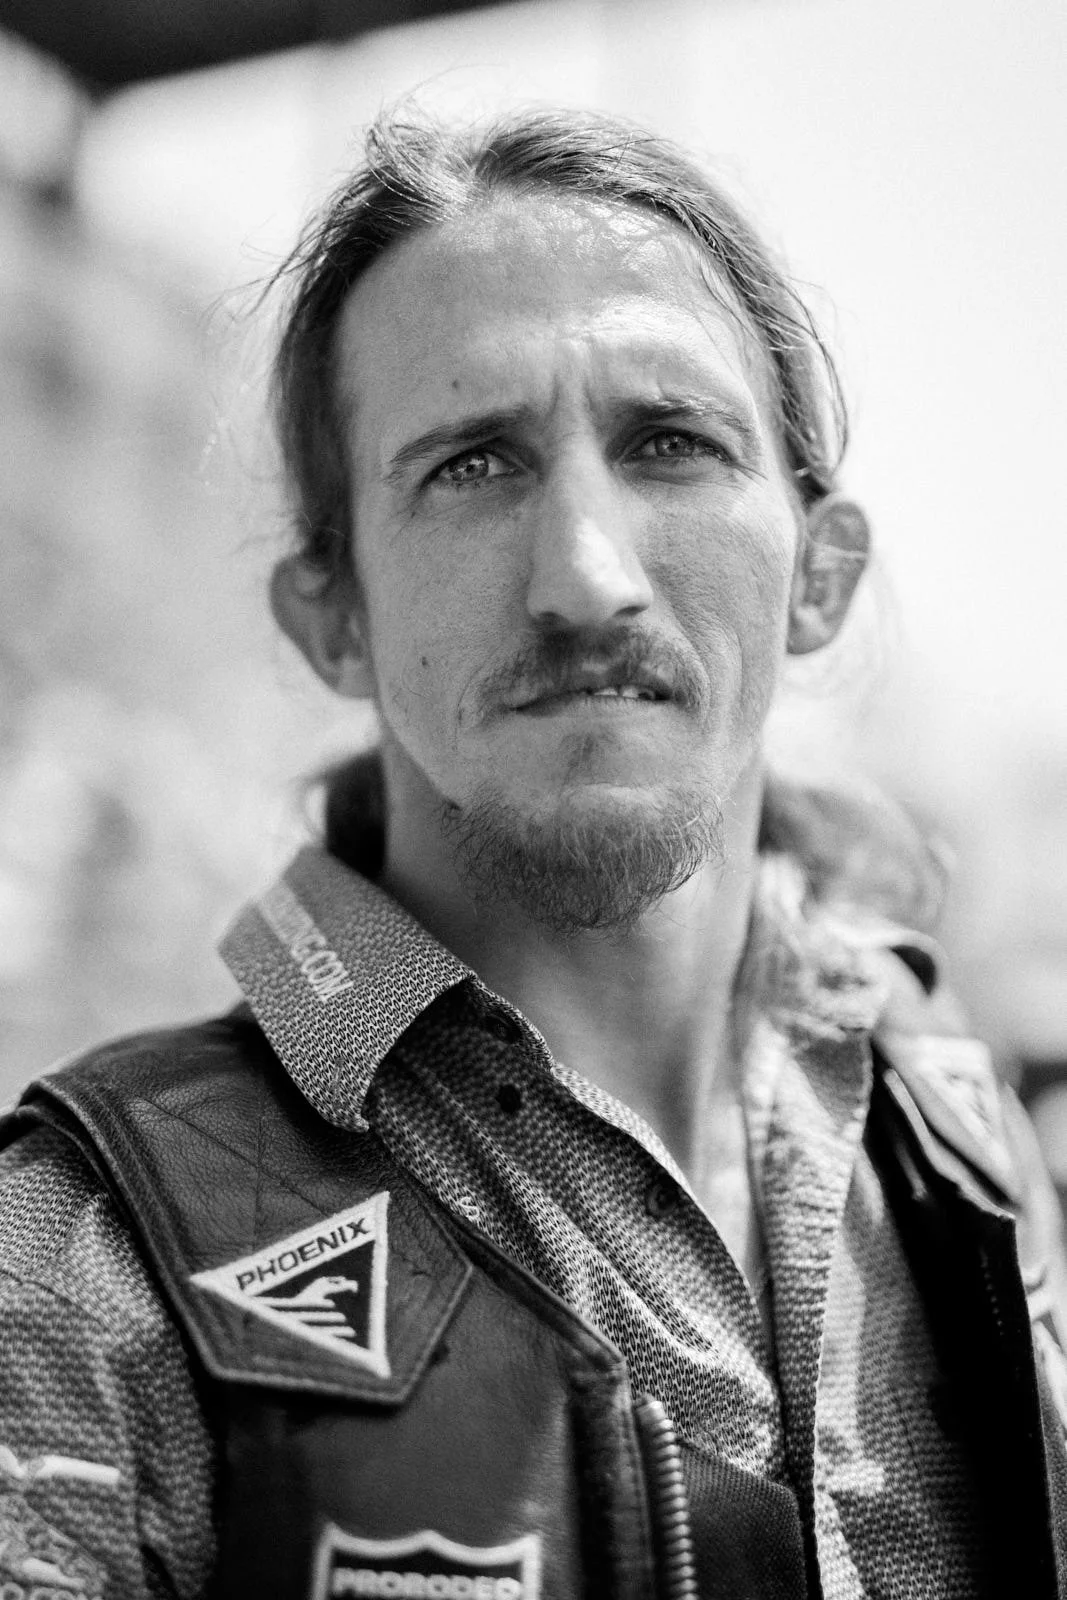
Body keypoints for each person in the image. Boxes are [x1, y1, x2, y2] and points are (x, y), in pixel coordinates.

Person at [1, 107, 1065, 1600]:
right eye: (471, 465)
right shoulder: (78, 1253)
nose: (585, 576)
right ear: (333, 620)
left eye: (672, 444)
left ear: (818, 579)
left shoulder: (966, 1149)